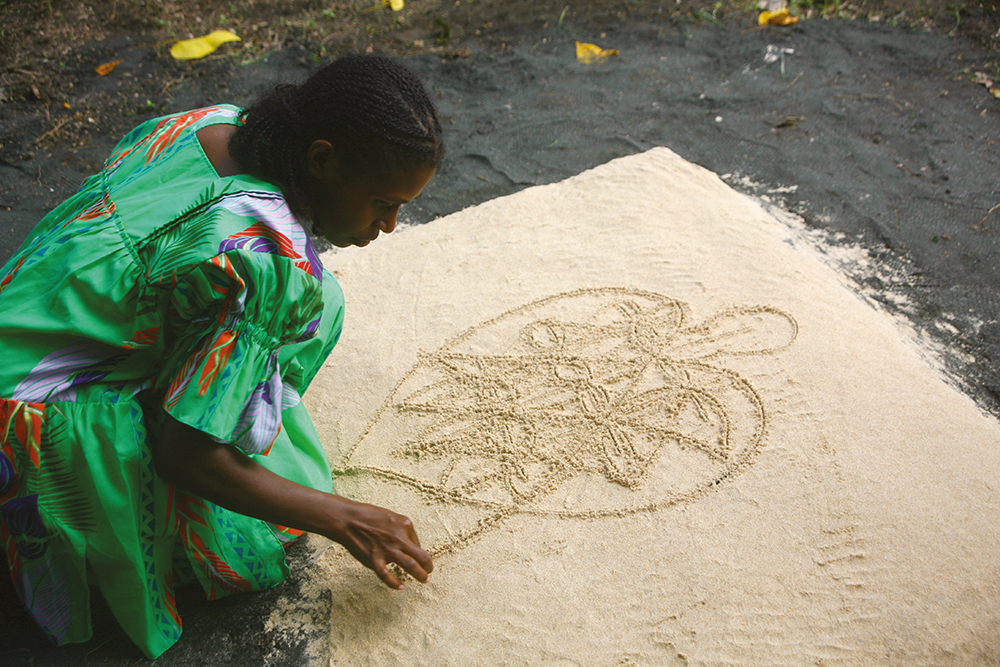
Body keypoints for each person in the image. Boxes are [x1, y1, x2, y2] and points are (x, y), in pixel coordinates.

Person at [0, 54, 443, 659]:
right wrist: (343, 517)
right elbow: (185, 455)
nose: (390, 225)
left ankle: (202, 385)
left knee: (317, 299)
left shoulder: (207, 124)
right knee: (271, 510)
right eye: (383, 203)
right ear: (321, 160)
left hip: (24, 325)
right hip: (32, 419)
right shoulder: (267, 260)